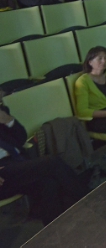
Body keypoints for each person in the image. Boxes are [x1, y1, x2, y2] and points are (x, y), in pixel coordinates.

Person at [0, 93, 88, 225]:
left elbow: (21, 139)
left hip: (15, 164)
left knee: (49, 184)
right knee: (52, 162)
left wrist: (8, 121)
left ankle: (54, 228)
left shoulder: (2, 112)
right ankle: (89, 199)